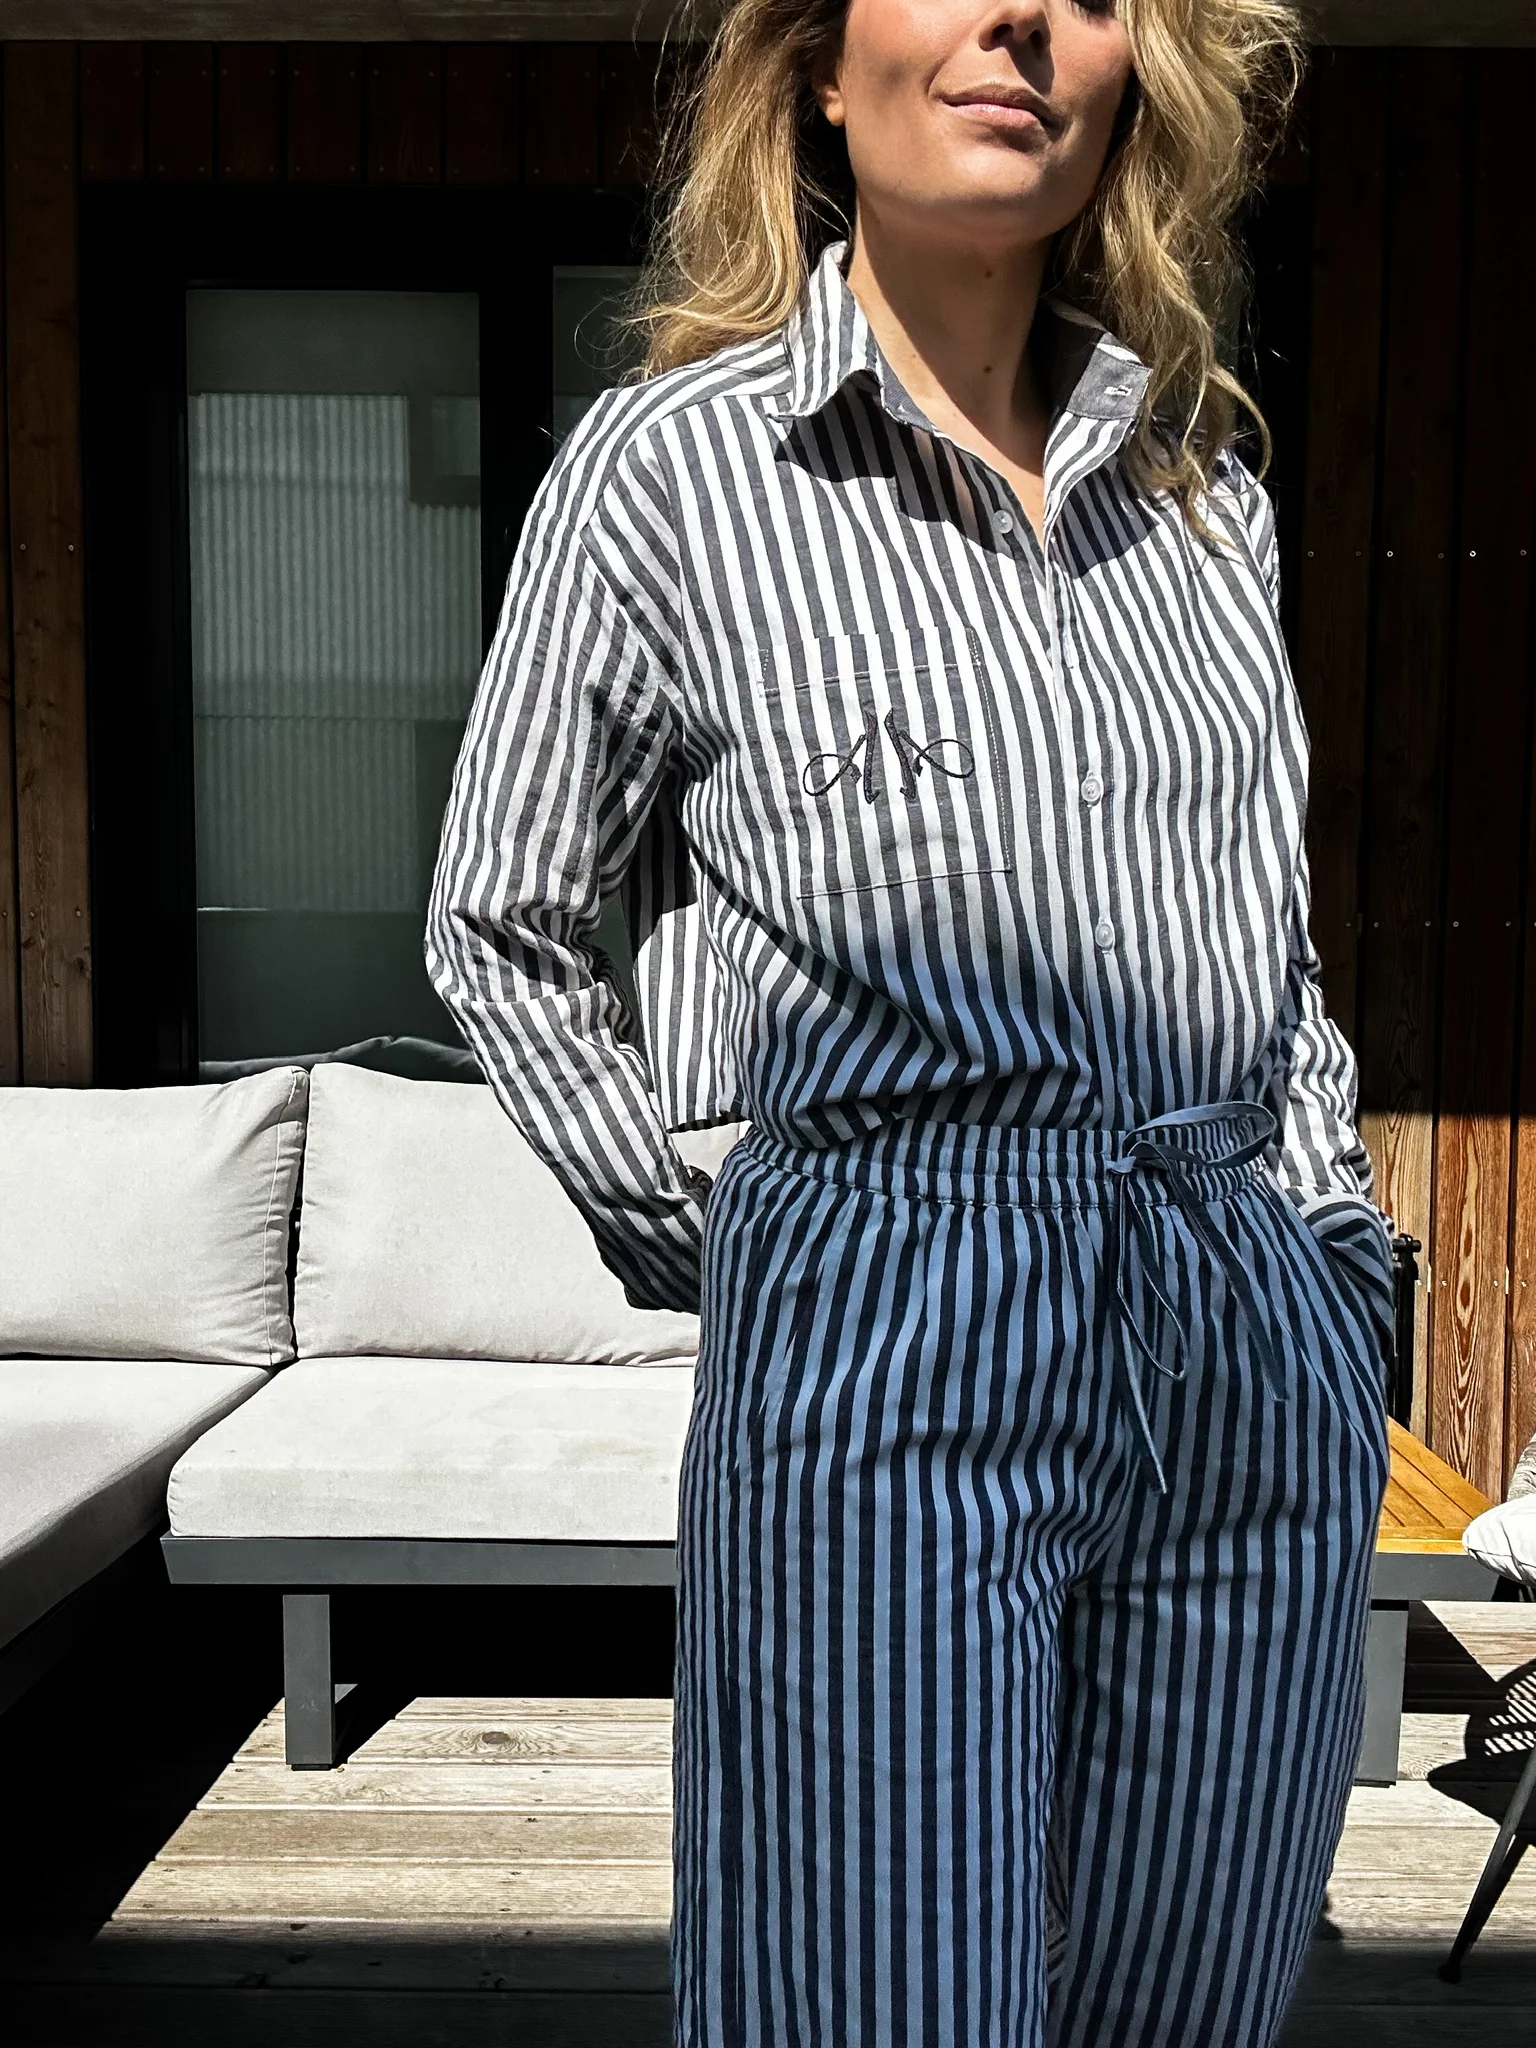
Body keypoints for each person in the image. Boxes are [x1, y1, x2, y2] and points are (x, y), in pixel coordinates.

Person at [425, 3, 1397, 2042]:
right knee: (866, 2002)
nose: (1021, 20)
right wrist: (735, 1233)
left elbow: (1270, 941)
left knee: (1198, 2000)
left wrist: (1331, 1255)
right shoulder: (676, 473)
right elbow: (502, 916)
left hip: (1242, 1323)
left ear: (1137, 80)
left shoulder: (1202, 491)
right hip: (883, 1331)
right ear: (814, 62)